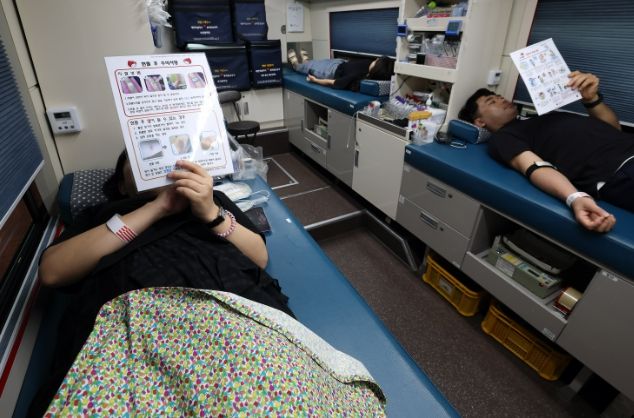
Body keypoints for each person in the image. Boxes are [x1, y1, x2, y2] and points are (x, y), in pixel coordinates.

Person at [30, 152, 293, 416]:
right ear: (122, 186)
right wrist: (158, 207)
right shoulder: (102, 215)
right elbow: (53, 271)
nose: (159, 160)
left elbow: (259, 257)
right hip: (132, 332)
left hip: (232, 316)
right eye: (138, 156)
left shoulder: (213, 201)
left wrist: (210, 212)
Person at [458, 71, 634, 233]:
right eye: (492, 101)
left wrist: (592, 100)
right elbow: (534, 166)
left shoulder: (540, 118)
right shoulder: (503, 137)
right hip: (619, 171)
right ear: (480, 122)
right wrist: (575, 197)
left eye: (499, 96)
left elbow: (613, 130)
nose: (501, 99)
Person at [287, 48, 394, 91]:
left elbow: (335, 83)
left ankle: (297, 66)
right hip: (340, 63)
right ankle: (306, 62)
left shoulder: (359, 76)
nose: (376, 59)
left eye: (378, 61)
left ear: (376, 68)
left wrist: (315, 80)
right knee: (317, 62)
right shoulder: (369, 64)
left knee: (313, 68)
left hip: (331, 71)